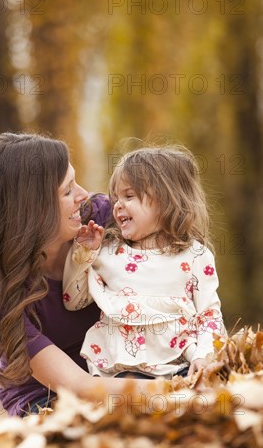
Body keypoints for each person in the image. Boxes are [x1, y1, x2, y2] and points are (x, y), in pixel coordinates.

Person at [0, 132, 165, 416]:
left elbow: (176, 259)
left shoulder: (102, 218)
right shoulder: (2, 296)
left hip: (124, 371)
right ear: (31, 211)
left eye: (76, 181)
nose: (83, 194)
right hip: (48, 399)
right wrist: (176, 388)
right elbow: (79, 386)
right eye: (67, 190)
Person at [63, 145, 226, 379]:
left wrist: (204, 355)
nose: (118, 205)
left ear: (167, 201)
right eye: (116, 197)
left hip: (179, 364)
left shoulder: (195, 256)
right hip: (119, 371)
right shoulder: (109, 252)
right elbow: (73, 301)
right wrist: (83, 255)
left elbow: (209, 314)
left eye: (129, 196)